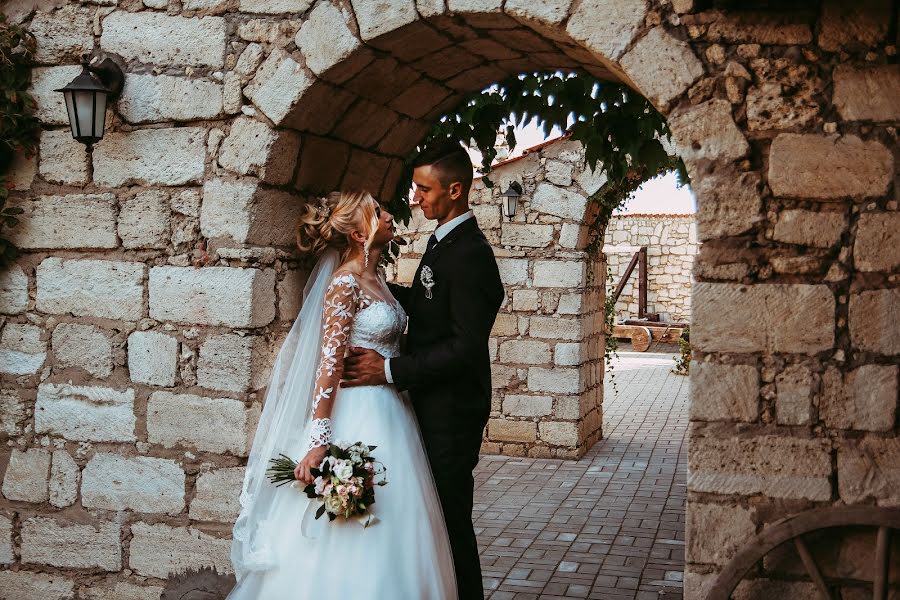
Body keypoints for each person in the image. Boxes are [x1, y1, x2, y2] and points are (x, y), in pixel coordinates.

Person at [228, 190, 457, 599]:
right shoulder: (344, 283)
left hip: (393, 411)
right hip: (358, 412)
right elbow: (328, 366)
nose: (389, 215)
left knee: (401, 521)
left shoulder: (378, 279)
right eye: (378, 212)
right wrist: (318, 444)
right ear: (356, 232)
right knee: (352, 529)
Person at [343, 140, 505, 600]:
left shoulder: (470, 253)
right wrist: (370, 285)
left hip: (453, 413)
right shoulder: (444, 240)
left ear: (455, 190)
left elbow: (465, 347)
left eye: (424, 189)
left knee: (451, 524)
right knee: (433, 522)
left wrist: (391, 370)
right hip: (431, 406)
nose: (415, 198)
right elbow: (430, 305)